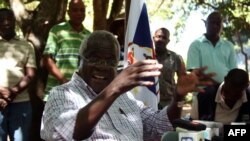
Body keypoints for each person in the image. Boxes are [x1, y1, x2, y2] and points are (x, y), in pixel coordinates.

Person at [40, 30, 214, 141]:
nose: (101, 66)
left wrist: (179, 96)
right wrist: (114, 89)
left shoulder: (125, 98)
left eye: (109, 61)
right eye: (94, 58)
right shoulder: (62, 94)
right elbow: (73, 132)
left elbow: (158, 126)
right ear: (80, 60)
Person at [42, 0, 91, 101]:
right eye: (75, 10)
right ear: (68, 12)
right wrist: (64, 81)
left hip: (80, 92)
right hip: (57, 90)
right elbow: (47, 59)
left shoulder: (89, 35)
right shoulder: (57, 30)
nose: (79, 13)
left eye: (82, 10)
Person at [0, 8, 37, 141]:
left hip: (21, 103)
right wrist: (2, 93)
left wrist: (12, 93)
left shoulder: (27, 46)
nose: (6, 23)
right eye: (2, 20)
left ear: (14, 22)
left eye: (9, 19)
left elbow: (31, 75)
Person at [186, 11, 237, 84]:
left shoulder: (229, 45)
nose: (215, 26)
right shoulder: (196, 45)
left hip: (227, 90)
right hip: (204, 90)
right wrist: (218, 86)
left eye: (218, 23)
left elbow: (233, 72)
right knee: (210, 91)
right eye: (212, 23)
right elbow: (194, 72)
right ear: (205, 24)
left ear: (222, 26)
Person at [153, 27, 186, 108]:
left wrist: (179, 105)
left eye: (164, 37)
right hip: (149, 101)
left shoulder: (176, 58)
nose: (160, 39)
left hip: (168, 103)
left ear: (168, 41)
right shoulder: (146, 56)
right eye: (158, 36)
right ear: (153, 38)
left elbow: (183, 81)